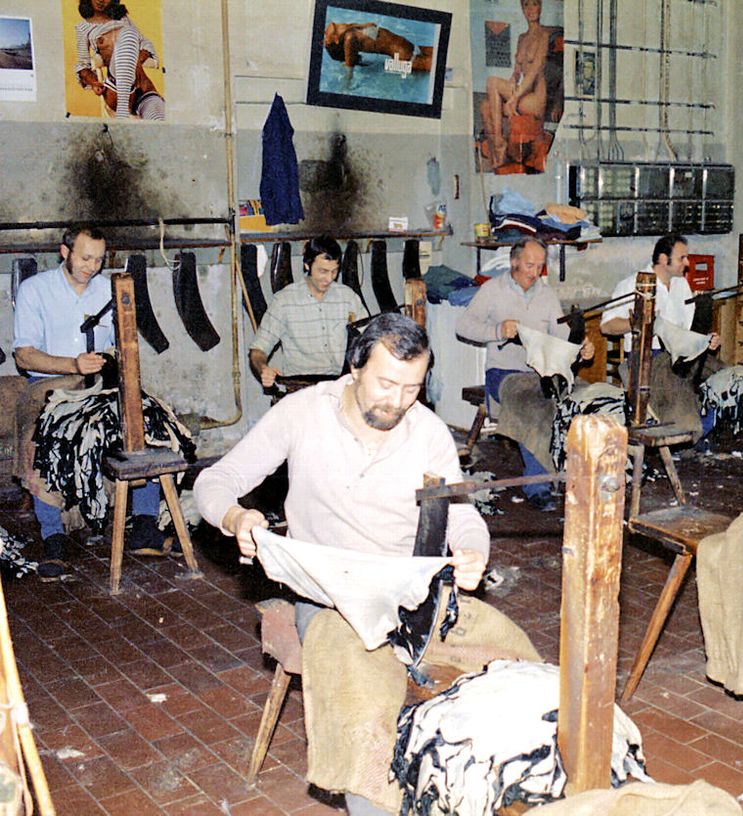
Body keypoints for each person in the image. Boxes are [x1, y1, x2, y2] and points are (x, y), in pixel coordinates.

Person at [194, 314, 539, 816]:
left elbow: (461, 514)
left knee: (521, 672)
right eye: (385, 384)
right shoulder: (303, 413)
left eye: (412, 389)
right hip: (330, 599)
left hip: (412, 593)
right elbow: (214, 481)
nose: (397, 401)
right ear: (355, 366)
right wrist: (235, 516)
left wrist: (472, 552)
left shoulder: (427, 431)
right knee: (365, 716)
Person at [12, 225, 173, 580]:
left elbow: (122, 343)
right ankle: (53, 537)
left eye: (99, 260)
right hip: (50, 383)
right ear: (64, 252)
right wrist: (72, 364)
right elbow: (24, 355)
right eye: (85, 258)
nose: (92, 267)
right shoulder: (35, 290)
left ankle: (144, 524)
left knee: (147, 422)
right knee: (41, 436)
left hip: (100, 383)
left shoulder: (109, 290)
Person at [456, 237, 593, 511]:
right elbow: (463, 326)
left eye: (540, 266)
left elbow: (561, 335)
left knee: (589, 397)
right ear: (514, 261)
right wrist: (497, 331)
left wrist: (581, 348)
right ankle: (537, 485)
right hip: (504, 372)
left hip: (543, 371)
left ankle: (584, 477)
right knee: (534, 404)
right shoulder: (493, 290)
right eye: (530, 265)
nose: (535, 272)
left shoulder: (546, 294)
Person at [249, 236, 368, 390]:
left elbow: (370, 338)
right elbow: (258, 350)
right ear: (307, 265)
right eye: (323, 271)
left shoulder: (348, 298)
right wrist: (263, 369)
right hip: (301, 388)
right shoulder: (285, 301)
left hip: (341, 385)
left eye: (334, 271)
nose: (329, 278)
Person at [600, 233, 722, 367]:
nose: (687, 263)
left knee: (724, 374)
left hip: (681, 355)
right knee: (676, 380)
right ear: (664, 259)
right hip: (648, 357)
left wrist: (705, 340)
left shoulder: (681, 283)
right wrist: (638, 323)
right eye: (682, 258)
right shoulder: (633, 285)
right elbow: (606, 326)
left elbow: (687, 328)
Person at [479, 0, 549, 168]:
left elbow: (533, 72)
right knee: (485, 106)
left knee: (492, 82)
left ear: (540, 6)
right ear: (522, 8)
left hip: (536, 99)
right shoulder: (521, 38)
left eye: (534, 4)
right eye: (526, 5)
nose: (530, 9)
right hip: (523, 94)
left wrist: (514, 97)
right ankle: (498, 154)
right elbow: (517, 72)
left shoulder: (544, 35)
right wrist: (512, 82)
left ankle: (499, 141)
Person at [74, 0, 165, 120]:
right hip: (115, 87)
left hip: (142, 87)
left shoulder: (123, 19)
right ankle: (123, 105)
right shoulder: (83, 28)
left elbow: (144, 42)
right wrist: (93, 82)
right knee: (129, 33)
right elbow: (82, 65)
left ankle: (125, 112)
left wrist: (138, 57)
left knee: (158, 120)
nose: (101, 0)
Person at [323, 21, 434, 86]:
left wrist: (345, 86)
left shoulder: (349, 40)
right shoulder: (357, 27)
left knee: (438, 68)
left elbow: (349, 71)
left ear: (337, 40)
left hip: (403, 56)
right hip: (406, 45)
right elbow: (374, 29)